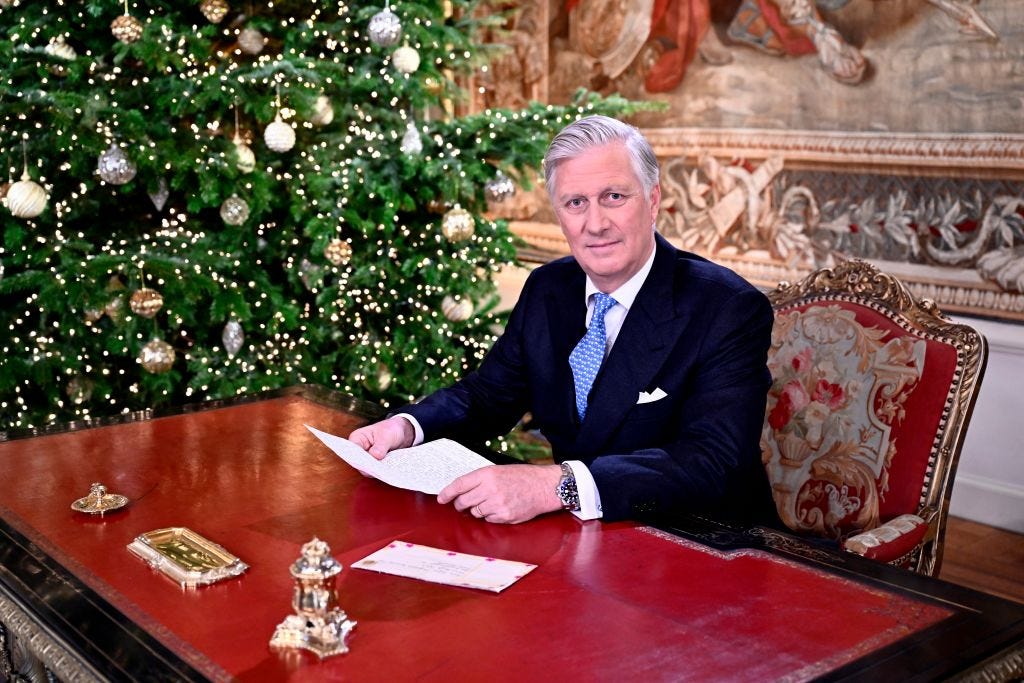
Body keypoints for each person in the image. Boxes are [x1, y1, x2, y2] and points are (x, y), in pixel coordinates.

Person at [349, 115, 777, 526]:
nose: (596, 224)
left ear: (653, 200)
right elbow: (488, 397)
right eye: (576, 203)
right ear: (559, 213)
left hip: (704, 547)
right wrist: (407, 427)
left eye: (614, 197)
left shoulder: (727, 307)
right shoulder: (548, 289)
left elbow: (711, 461)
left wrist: (560, 486)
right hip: (585, 540)